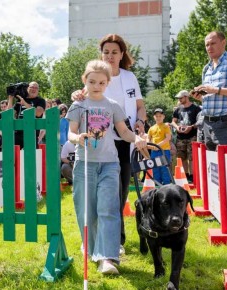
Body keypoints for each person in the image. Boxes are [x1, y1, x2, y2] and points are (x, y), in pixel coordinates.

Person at [66, 60, 146, 274]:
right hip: (85, 165)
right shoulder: (78, 106)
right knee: (88, 213)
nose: (96, 86)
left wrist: (137, 138)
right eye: (92, 81)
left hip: (110, 164)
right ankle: (92, 248)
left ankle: (108, 259)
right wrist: (77, 138)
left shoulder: (113, 105)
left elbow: (124, 132)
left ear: (107, 83)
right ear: (85, 80)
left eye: (102, 82)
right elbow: (70, 133)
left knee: (109, 210)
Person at [172, 90, 202, 182]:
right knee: (181, 157)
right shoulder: (178, 109)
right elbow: (173, 121)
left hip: (192, 136)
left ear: (186, 97)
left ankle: (193, 176)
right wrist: (177, 127)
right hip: (180, 137)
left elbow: (200, 121)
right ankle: (185, 176)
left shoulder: (196, 108)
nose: (179, 100)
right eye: (178, 98)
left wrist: (191, 127)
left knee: (192, 158)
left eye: (181, 98)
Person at [7, 82, 46, 149]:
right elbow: (9, 114)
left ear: (38, 90)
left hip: (32, 133)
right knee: (14, 157)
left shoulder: (40, 100)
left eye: (36, 88)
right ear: (27, 88)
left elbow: (38, 113)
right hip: (18, 132)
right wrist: (10, 99)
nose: (33, 89)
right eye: (32, 87)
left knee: (32, 157)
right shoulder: (20, 99)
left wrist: (24, 103)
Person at [147, 108, 172, 185]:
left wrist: (157, 145)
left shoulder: (165, 126)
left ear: (163, 116)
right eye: (156, 116)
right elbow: (148, 138)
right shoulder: (151, 128)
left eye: (160, 116)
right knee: (155, 169)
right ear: (154, 117)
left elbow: (168, 138)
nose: (158, 117)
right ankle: (157, 185)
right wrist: (151, 145)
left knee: (164, 168)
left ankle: (166, 185)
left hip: (164, 151)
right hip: (154, 151)